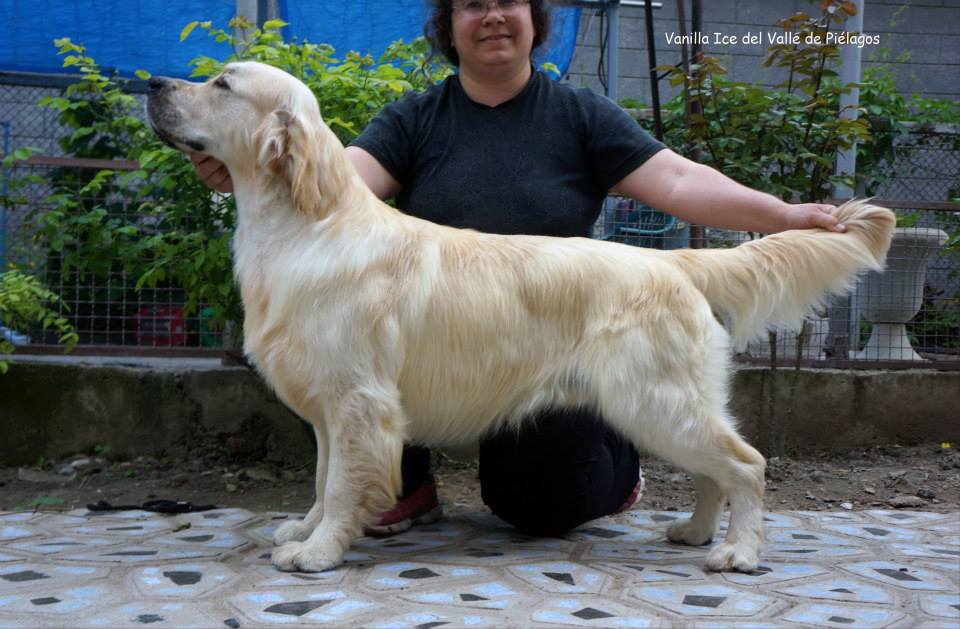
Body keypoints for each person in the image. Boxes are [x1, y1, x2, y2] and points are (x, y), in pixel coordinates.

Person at [192, 0, 844, 537]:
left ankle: (621, 458)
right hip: (446, 344)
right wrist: (247, 163)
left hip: (567, 330)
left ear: (535, 20)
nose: (493, 16)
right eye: (472, 5)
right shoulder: (416, 117)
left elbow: (676, 179)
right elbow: (335, 188)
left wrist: (782, 216)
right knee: (347, 344)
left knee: (540, 504)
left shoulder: (579, 114)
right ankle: (404, 488)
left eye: (509, 1)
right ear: (449, 27)